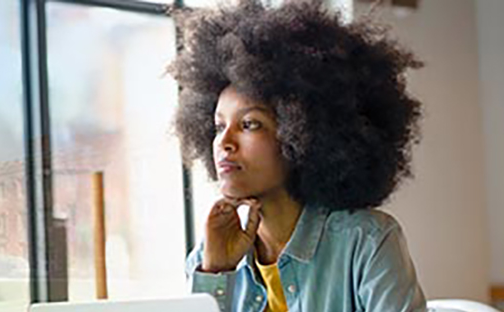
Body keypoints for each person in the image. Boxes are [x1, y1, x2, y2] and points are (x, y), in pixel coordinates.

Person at [170, 1, 426, 312]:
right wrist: (215, 275)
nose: (224, 142)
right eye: (218, 126)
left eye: (249, 124)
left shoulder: (366, 242)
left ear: (303, 133)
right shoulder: (207, 258)